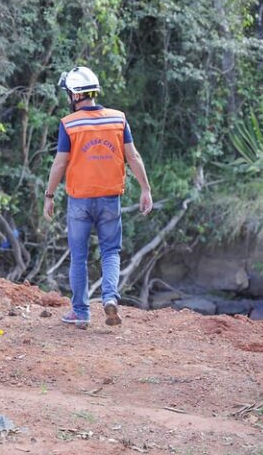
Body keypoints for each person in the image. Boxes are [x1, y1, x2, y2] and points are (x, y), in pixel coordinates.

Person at [43, 66, 153, 329]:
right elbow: (133, 157)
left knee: (78, 256)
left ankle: (80, 312)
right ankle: (109, 298)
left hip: (79, 200)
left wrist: (49, 194)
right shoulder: (118, 119)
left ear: (74, 95)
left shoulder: (69, 124)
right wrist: (145, 189)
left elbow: (59, 164)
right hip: (109, 199)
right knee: (111, 251)